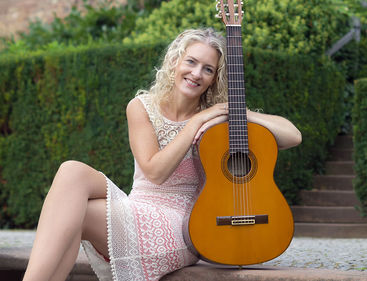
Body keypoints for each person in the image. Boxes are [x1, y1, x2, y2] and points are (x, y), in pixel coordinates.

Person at [22, 28, 302, 281]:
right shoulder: (141, 107)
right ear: (174, 62)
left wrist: (239, 111)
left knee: (73, 214)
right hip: (137, 208)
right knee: (71, 173)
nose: (196, 73)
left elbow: (293, 136)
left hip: (182, 227)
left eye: (208, 69)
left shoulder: (219, 123)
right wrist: (195, 122)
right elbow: (154, 171)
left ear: (214, 78)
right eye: (191, 62)